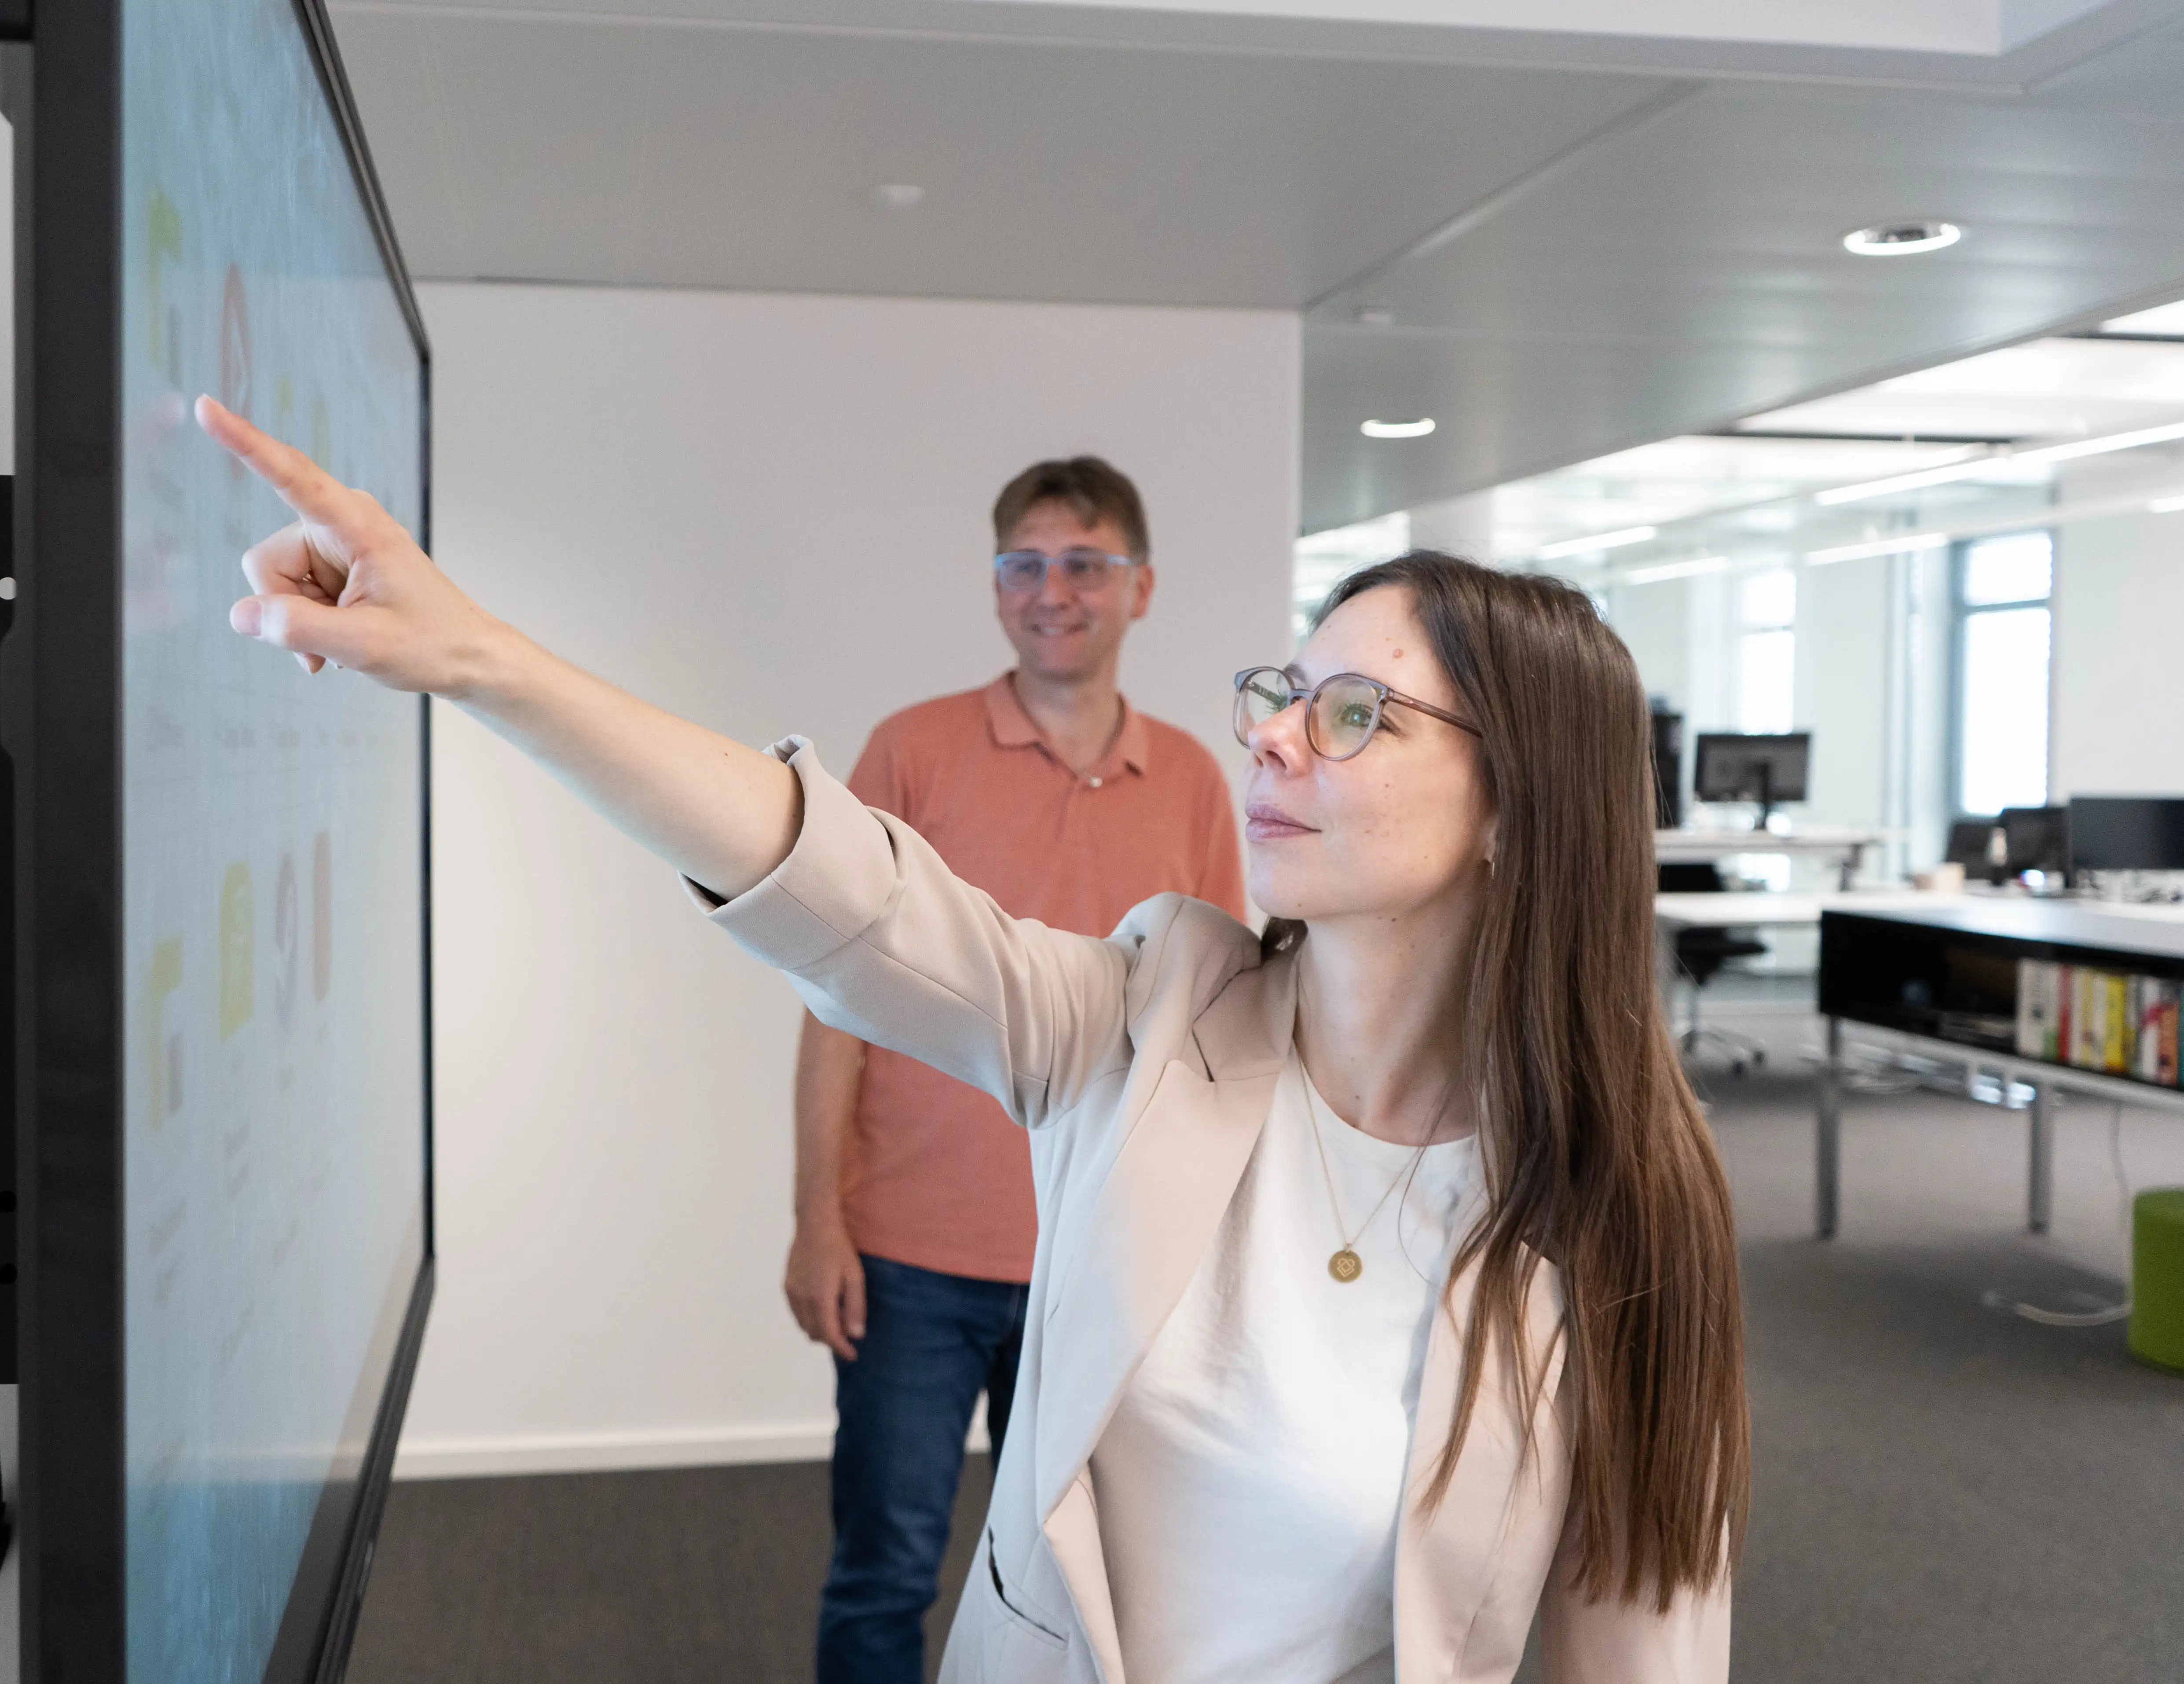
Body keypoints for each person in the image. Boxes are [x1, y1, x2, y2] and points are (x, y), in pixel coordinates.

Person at [195, 395, 1750, 1684]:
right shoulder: (1148, 1012)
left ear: (1517, 809)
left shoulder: (1627, 1215)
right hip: (929, 1265)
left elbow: (1638, 1653)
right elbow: (843, 897)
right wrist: (483, 660)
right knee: (879, 1548)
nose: (1270, 732)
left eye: (1354, 714)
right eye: (1285, 691)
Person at [786, 459, 1245, 1682]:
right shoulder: (913, 752)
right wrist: (816, 1218)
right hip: (913, 1256)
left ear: (1139, 588)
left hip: (1109, 1246)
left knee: (1094, 1581)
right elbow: (835, 1003)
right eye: (1025, 565)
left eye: (1085, 565)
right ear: (995, 590)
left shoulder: (1195, 776)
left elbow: (1220, 1022)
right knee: (885, 1566)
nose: (1054, 592)